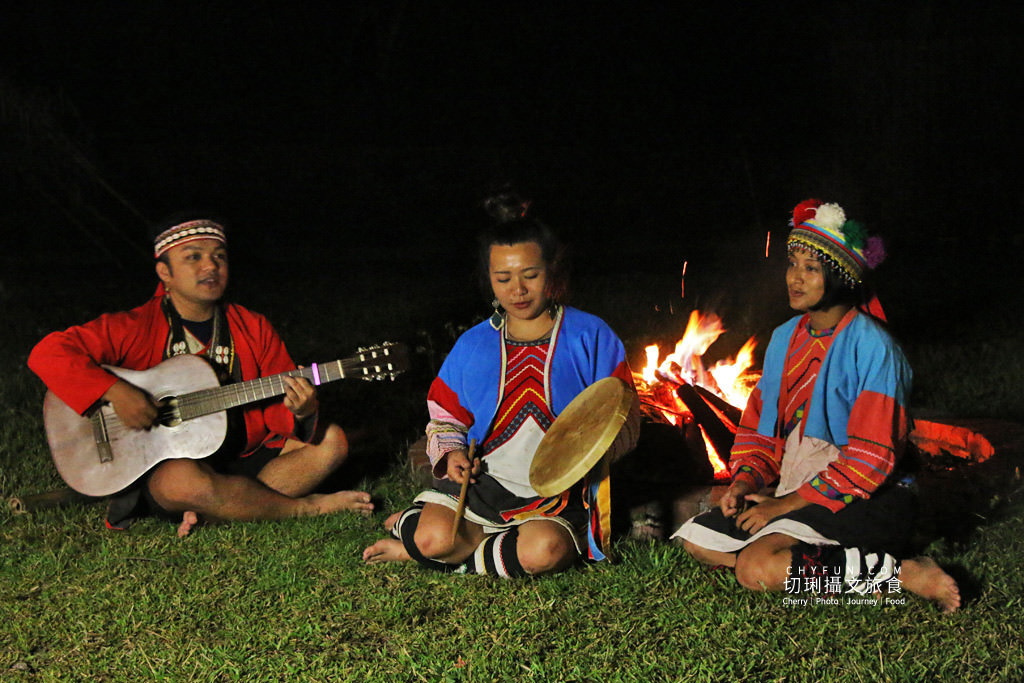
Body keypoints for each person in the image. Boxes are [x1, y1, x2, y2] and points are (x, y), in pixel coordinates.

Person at [671, 199, 960, 613]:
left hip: (870, 498)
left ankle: (900, 574)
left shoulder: (874, 347)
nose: (795, 277)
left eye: (811, 268)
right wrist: (745, 484)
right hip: (800, 492)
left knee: (756, 568)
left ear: (843, 276)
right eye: (793, 264)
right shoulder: (785, 338)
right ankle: (816, 560)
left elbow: (870, 457)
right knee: (696, 539)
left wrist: (783, 506)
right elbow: (759, 429)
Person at [29, 216, 373, 536]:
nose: (210, 266)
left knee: (333, 442)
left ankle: (221, 510)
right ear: (164, 272)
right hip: (172, 468)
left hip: (245, 457)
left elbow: (276, 406)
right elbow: (48, 353)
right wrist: (115, 391)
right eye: (193, 257)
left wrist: (302, 411)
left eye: (219, 257)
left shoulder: (252, 326)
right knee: (183, 483)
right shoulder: (132, 326)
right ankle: (301, 509)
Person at [363, 194, 635, 577]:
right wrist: (453, 454)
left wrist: (587, 455)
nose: (517, 290)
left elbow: (622, 412)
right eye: (503, 278)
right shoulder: (473, 344)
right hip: (484, 486)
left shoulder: (590, 334)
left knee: (545, 551)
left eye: (530, 274)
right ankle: (432, 543)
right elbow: (445, 417)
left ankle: (431, 552)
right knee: (434, 539)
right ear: (488, 280)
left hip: (556, 496)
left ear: (551, 273)